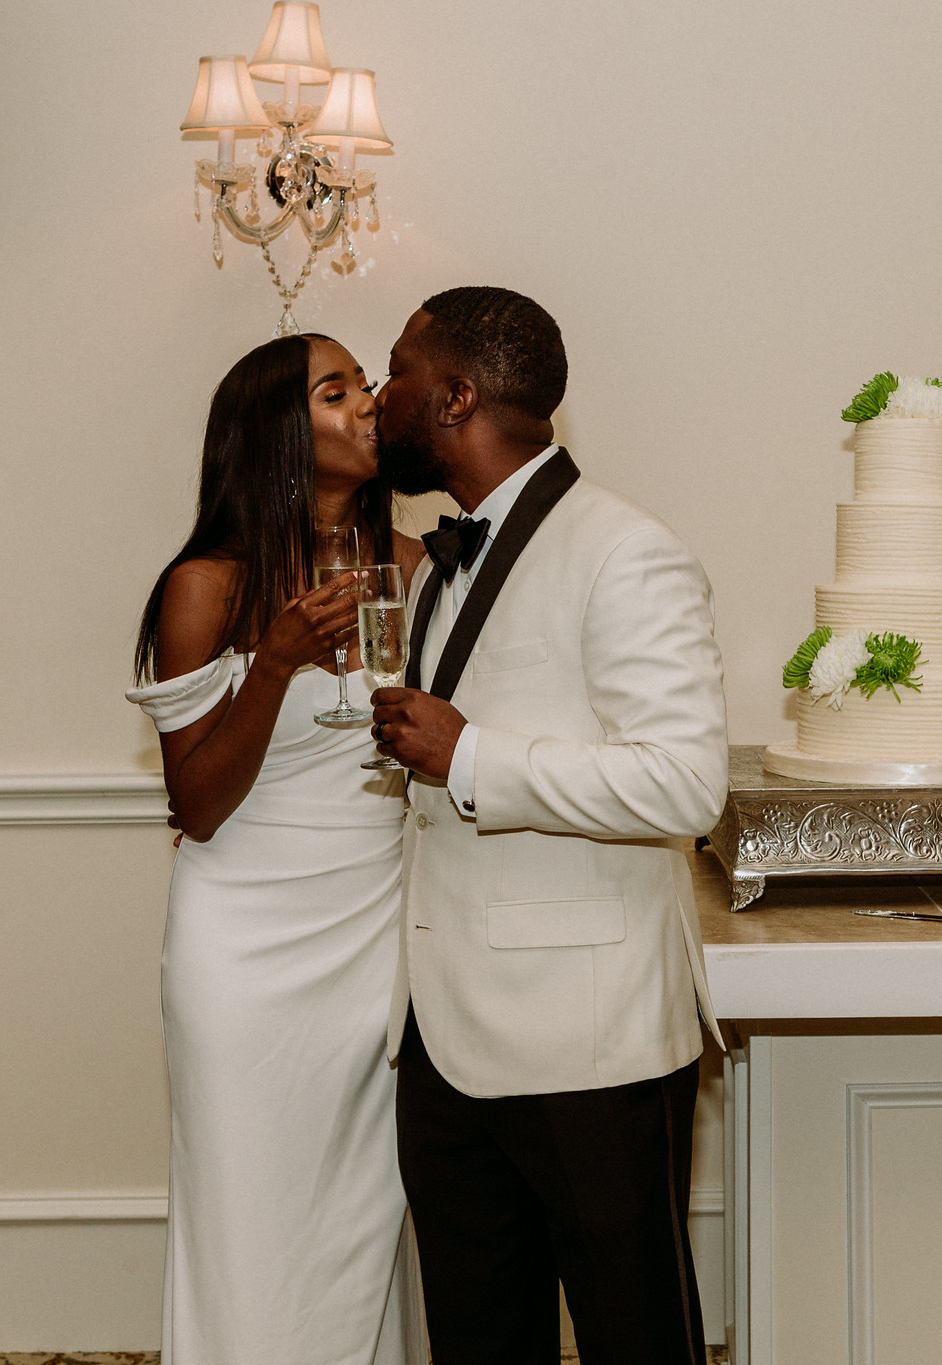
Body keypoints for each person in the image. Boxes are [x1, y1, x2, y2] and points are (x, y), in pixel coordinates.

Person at [366, 287, 729, 1365]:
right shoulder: (439, 569)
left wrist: (468, 754)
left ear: (453, 393)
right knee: (477, 1340)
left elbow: (682, 785)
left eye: (396, 371)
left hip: (591, 1040)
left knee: (633, 1338)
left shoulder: (626, 552)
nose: (383, 397)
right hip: (440, 1033)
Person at [126, 334, 427, 1365]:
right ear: (277, 434)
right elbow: (196, 805)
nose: (368, 404)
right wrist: (275, 665)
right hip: (243, 947)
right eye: (334, 392)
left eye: (363, 386)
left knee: (360, 1220)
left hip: (372, 936)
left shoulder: (416, 568)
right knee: (250, 1223)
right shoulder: (206, 587)